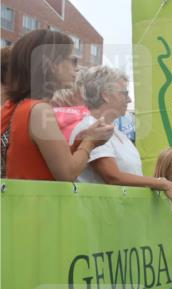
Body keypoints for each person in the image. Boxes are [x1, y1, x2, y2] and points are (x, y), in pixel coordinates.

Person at [69, 66, 172, 216]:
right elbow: (112, 176)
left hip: (119, 218)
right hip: (98, 218)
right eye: (124, 93)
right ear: (105, 95)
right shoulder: (89, 126)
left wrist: (163, 184)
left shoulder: (117, 133)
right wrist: (161, 183)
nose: (129, 99)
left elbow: (129, 176)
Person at [1, 30, 112, 180]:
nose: (77, 68)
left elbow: (40, 161)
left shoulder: (17, 107)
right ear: (52, 64)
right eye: (73, 61)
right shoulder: (38, 110)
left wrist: (81, 140)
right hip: (38, 202)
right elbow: (67, 173)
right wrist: (90, 141)